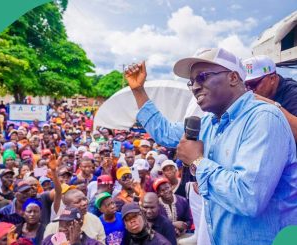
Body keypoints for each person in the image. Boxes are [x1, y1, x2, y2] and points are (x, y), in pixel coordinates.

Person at [125, 47, 297, 245]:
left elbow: (249, 198)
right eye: (192, 82)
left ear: (233, 77)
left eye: (202, 77)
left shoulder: (264, 119)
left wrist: (198, 161)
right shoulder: (209, 123)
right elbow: (164, 132)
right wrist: (138, 91)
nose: (195, 87)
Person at [243, 55, 297, 140]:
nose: (249, 90)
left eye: (253, 84)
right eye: (245, 85)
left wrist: (271, 105)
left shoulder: (292, 92)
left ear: (272, 79)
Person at [153, 178, 192, 242]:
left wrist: (183, 226)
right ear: (158, 194)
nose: (166, 191)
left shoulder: (183, 200)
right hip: (164, 238)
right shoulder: (156, 206)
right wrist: (173, 224)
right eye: (162, 190)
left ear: (171, 187)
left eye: (167, 188)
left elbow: (189, 220)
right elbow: (156, 225)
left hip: (183, 236)